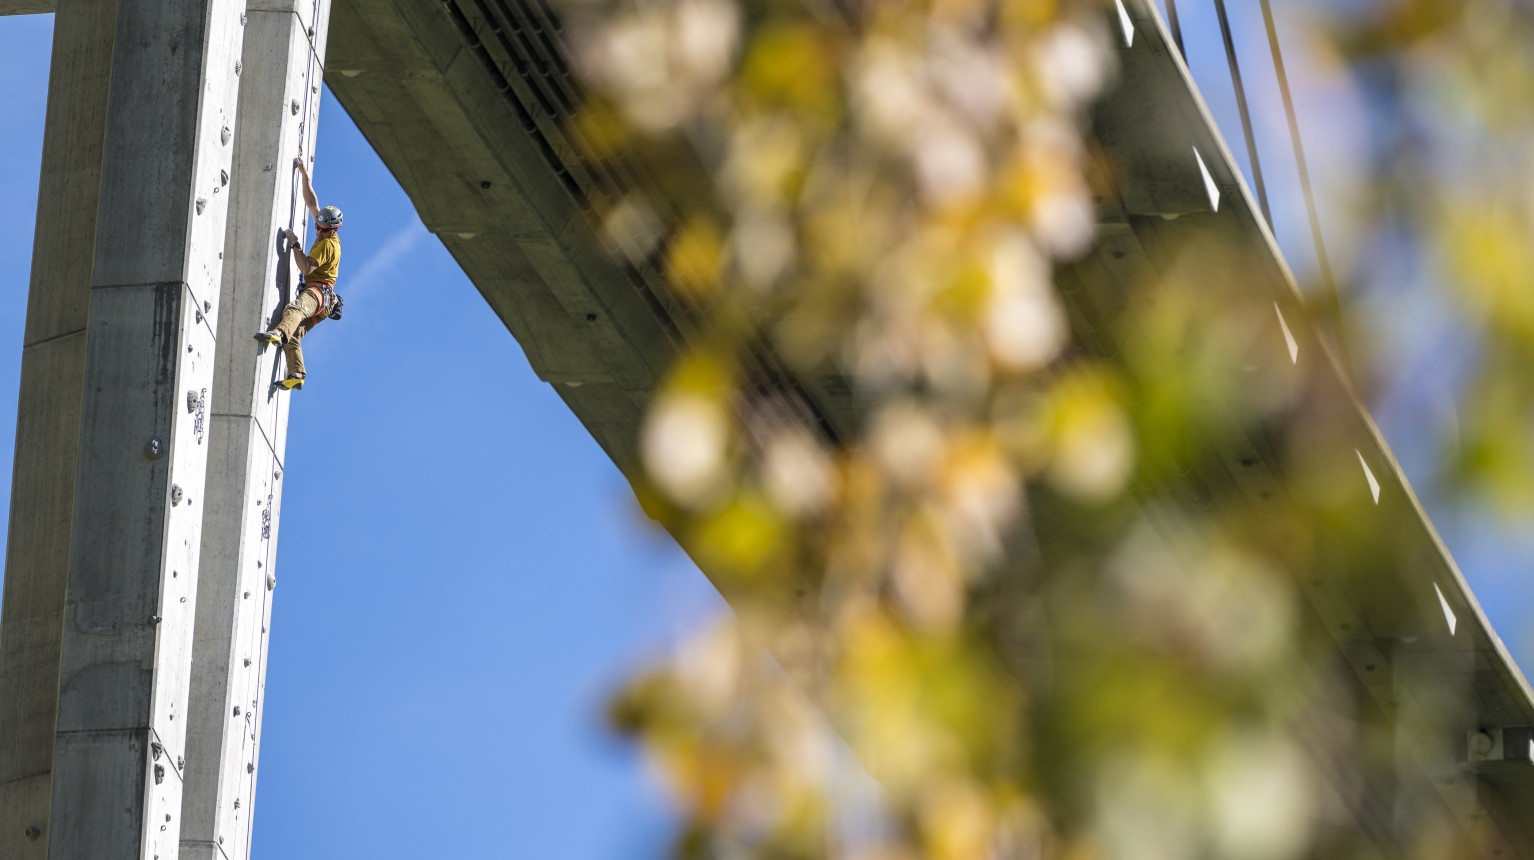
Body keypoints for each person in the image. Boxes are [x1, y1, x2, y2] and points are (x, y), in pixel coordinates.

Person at [256, 156, 344, 390]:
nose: (318, 230)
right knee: (294, 332)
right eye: (317, 225)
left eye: (323, 229)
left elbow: (306, 268)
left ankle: (278, 333)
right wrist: (304, 174)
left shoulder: (328, 245)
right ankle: (296, 374)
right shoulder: (323, 229)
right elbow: (312, 202)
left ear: (333, 230)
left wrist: (294, 244)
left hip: (319, 293)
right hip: (323, 301)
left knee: (294, 310)